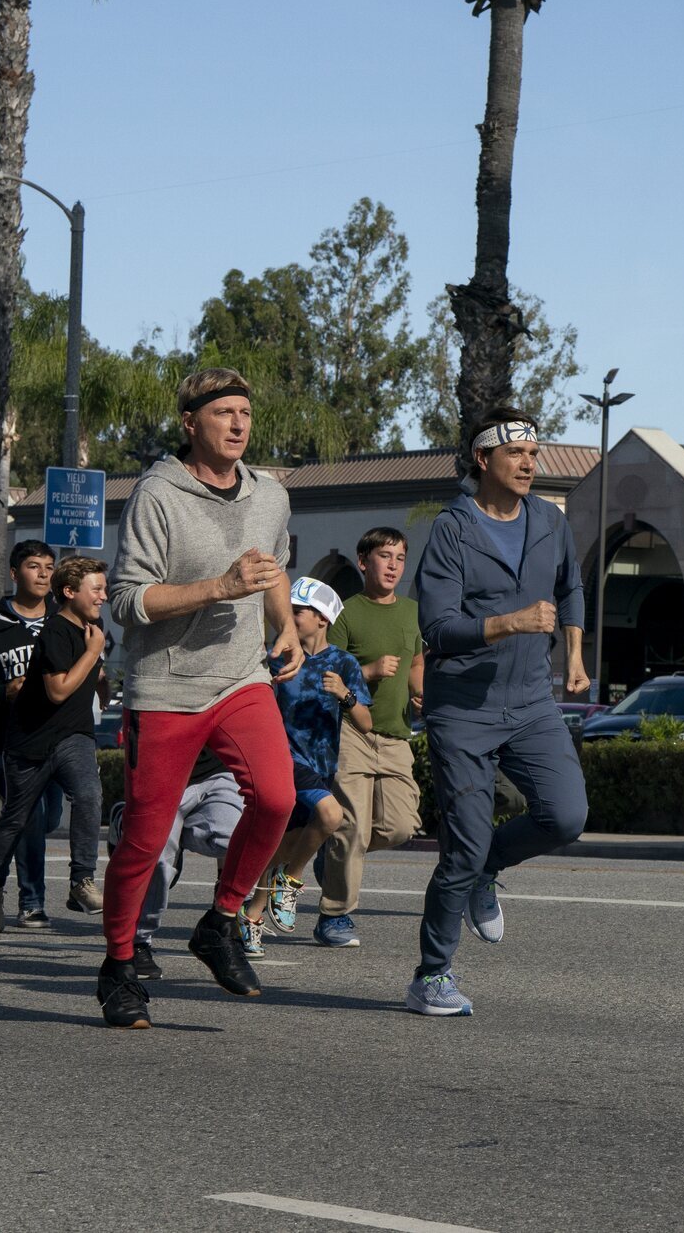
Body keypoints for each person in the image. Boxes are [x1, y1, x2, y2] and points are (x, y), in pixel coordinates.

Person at [96, 367, 301, 1031]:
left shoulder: (269, 494)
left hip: (242, 677)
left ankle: (221, 919)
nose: (239, 423)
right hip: (166, 685)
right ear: (191, 422)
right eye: (224, 413)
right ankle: (120, 964)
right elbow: (127, 601)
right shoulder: (158, 493)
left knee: (277, 798)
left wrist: (287, 625)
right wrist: (218, 585)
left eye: (245, 411)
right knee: (146, 840)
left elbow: (270, 565)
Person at [407, 408, 591, 1017]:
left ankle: (490, 865)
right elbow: (436, 626)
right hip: (462, 709)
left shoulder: (548, 519)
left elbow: (571, 586)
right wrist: (508, 622)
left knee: (565, 815)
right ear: (484, 460)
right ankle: (432, 975)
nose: (530, 464)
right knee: (459, 847)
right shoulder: (452, 530)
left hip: (532, 698)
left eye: (535, 455)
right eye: (517, 455)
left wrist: (575, 654)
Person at [0, 556, 108, 932]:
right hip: (30, 742)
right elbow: (58, 690)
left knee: (89, 795)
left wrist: (102, 680)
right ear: (69, 592)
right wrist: (93, 653)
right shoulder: (54, 631)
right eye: (95, 589)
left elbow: (86, 679)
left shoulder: (92, 629)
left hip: (74, 736)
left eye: (103, 588)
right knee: (19, 819)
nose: (103, 596)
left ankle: (82, 880)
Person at [237, 577, 363, 951]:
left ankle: (251, 916)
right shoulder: (276, 657)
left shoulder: (343, 662)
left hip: (322, 765)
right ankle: (291, 882)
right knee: (330, 815)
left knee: (282, 846)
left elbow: (366, 722)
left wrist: (345, 694)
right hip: (283, 758)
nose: (288, 617)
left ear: (322, 618)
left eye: (297, 612)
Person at [315, 527, 424, 948]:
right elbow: (328, 672)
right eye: (385, 556)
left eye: (400, 557)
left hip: (396, 733)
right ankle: (335, 916)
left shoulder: (412, 611)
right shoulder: (346, 613)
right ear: (363, 562)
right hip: (351, 730)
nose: (394, 564)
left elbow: (417, 662)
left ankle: (334, 852)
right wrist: (370, 672)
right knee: (352, 825)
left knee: (399, 828)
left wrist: (420, 694)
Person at [0, 539, 65, 927]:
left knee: (48, 818)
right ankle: (32, 900)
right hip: (11, 739)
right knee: (30, 815)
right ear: (14, 574)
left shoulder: (65, 620)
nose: (43, 574)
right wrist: (3, 691)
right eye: (33, 566)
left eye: (48, 567)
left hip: (59, 738)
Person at [112, 748, 245, 981]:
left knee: (239, 841)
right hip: (163, 772)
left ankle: (169, 828)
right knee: (159, 862)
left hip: (217, 772)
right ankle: (139, 942)